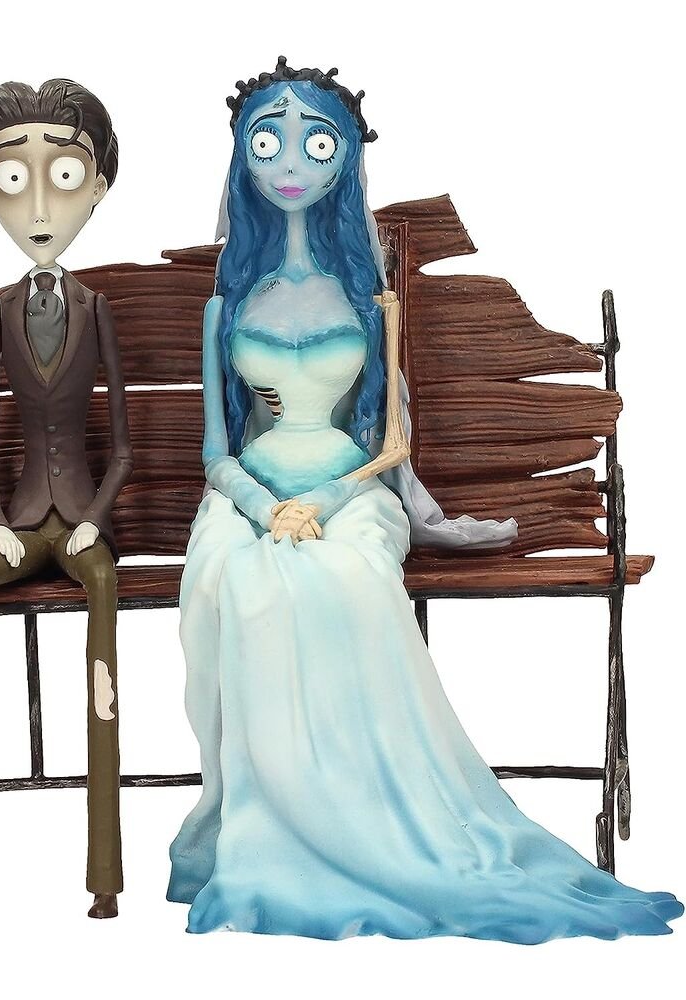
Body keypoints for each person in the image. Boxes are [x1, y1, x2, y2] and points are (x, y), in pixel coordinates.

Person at [167, 56, 683, 942]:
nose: (288, 163)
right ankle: (273, 818)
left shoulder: (371, 301)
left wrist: (329, 499)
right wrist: (261, 505)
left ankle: (362, 812)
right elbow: (217, 450)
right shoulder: (229, 305)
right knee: (238, 580)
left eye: (314, 144)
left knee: (347, 579)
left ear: (344, 159)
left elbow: (391, 443)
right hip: (251, 490)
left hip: (351, 487)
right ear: (241, 157)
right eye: (266, 143)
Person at [0, 79, 132, 921]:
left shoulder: (96, 310)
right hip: (21, 519)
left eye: (63, 179)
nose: (39, 208)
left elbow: (122, 445)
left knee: (104, 592)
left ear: (97, 188)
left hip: (83, 522)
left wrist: (95, 519)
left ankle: (104, 875)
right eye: (14, 182)